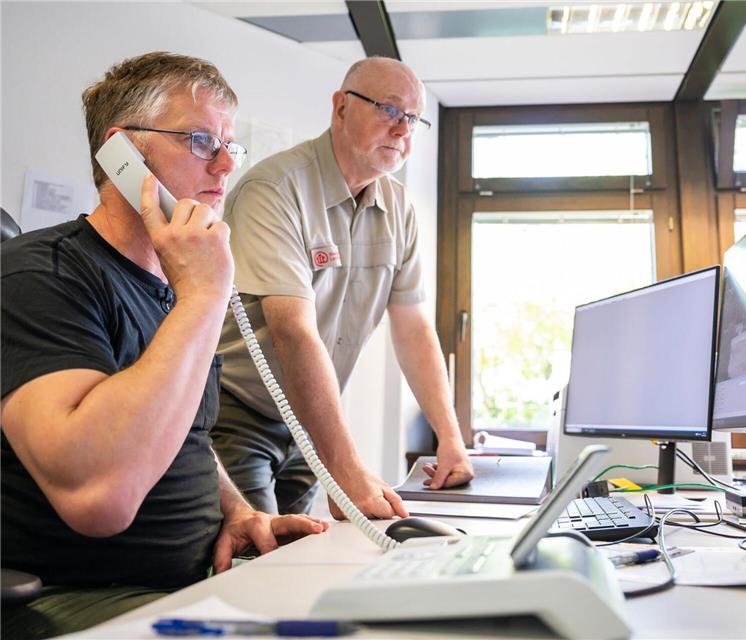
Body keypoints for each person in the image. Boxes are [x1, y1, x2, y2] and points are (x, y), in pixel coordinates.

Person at [0, 52, 327, 639]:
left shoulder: (172, 289)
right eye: (202, 140)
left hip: (193, 581)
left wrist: (235, 510)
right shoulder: (38, 276)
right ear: (121, 151)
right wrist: (205, 296)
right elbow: (99, 500)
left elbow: (183, 435)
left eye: (231, 145)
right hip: (74, 600)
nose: (227, 165)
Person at [214, 56, 473, 519]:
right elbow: (293, 330)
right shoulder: (274, 189)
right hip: (240, 413)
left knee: (298, 556)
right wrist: (347, 468)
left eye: (412, 118)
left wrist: (450, 439)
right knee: (253, 561)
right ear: (340, 108)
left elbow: (414, 328)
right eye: (389, 111)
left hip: (313, 417)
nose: (402, 130)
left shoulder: (401, 210)